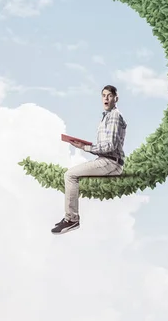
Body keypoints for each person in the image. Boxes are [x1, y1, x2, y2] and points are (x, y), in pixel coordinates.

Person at [51, 84, 127, 235]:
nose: (106, 98)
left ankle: (72, 219)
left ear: (116, 98)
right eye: (103, 95)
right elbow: (105, 145)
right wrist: (83, 145)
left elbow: (110, 146)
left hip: (110, 162)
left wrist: (85, 148)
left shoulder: (114, 116)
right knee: (74, 173)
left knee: (70, 175)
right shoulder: (107, 116)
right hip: (107, 160)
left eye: (109, 96)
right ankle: (70, 217)